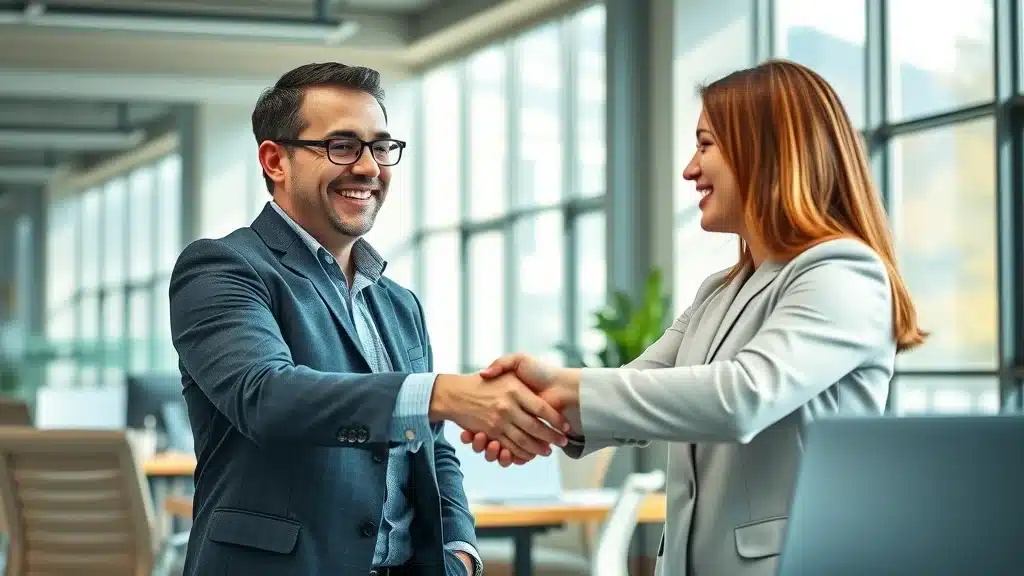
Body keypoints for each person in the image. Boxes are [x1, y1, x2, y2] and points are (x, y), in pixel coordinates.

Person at [460, 59, 926, 575]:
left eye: (705, 145)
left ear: (764, 150)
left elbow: (741, 397)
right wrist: (534, 411)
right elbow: (642, 384)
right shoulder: (719, 291)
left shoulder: (842, 271)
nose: (689, 169)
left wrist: (556, 385)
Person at [169, 62, 568, 576]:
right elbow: (266, 397)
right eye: (342, 146)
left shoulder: (399, 304)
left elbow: (432, 448)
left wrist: (460, 553)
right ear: (275, 160)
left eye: (380, 148)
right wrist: (443, 394)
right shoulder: (224, 267)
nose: (368, 167)